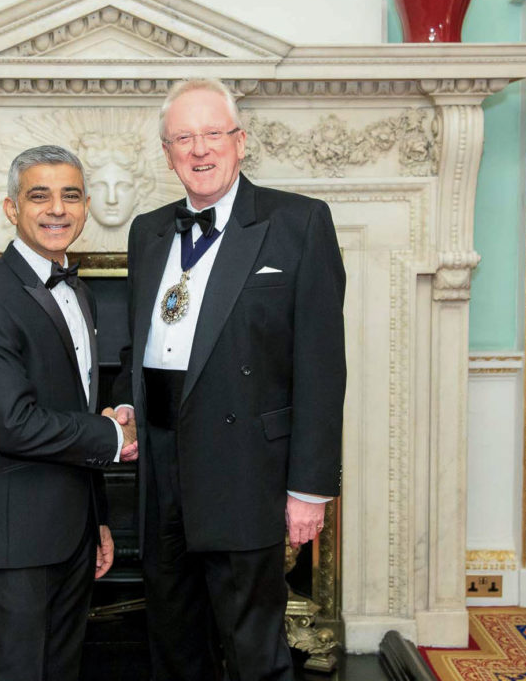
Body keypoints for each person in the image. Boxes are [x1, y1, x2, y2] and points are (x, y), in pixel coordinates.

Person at [112, 79, 346, 681]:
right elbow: (142, 341)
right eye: (183, 137)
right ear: (166, 153)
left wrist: (310, 491)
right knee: (172, 635)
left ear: (240, 142)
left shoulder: (299, 223)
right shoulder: (147, 231)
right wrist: (129, 405)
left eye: (213, 133)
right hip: (162, 464)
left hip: (247, 469)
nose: (200, 149)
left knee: (252, 650)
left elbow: (323, 367)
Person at [0, 144, 138, 681]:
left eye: (70, 195)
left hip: (72, 533)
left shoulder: (79, 292)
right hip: (13, 541)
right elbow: (13, 424)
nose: (57, 208)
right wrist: (111, 435)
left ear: (84, 209)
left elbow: (70, 410)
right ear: (12, 209)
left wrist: (98, 518)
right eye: (40, 195)